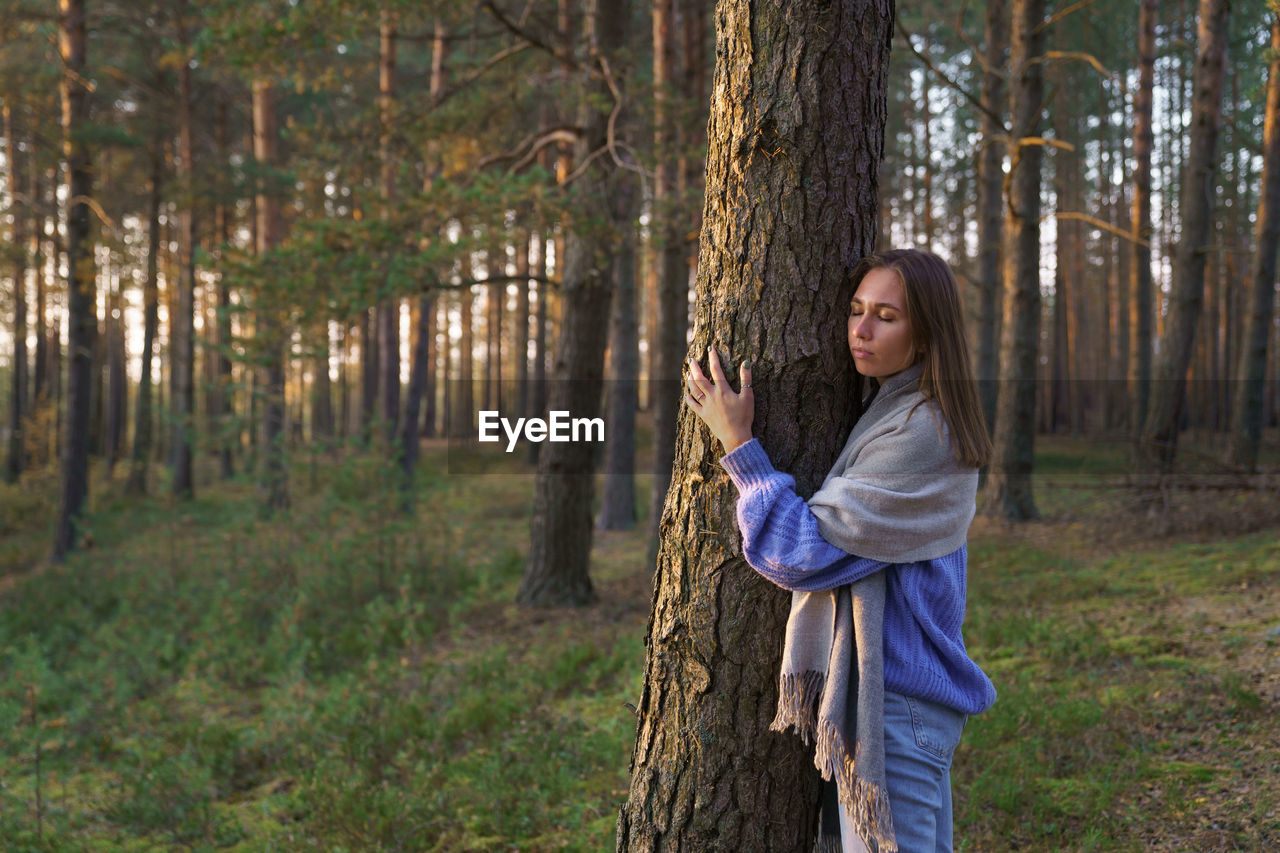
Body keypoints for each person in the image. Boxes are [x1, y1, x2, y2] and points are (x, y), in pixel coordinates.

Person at [684, 249, 996, 853]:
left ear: (928, 334)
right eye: (856, 310)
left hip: (897, 713)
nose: (860, 329)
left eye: (886, 316)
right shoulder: (892, 409)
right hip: (886, 705)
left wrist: (741, 447)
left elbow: (804, 550)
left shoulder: (922, 434)